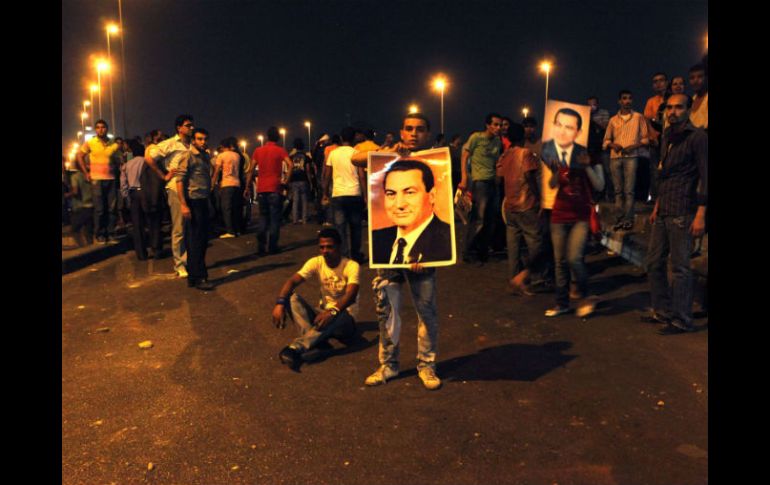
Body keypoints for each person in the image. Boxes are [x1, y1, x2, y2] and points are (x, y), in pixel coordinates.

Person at [365, 112, 444, 391]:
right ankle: (389, 364)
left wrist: (430, 255)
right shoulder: (387, 158)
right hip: (388, 253)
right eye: (409, 129)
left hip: (424, 255)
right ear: (401, 131)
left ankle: (427, 365)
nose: (413, 133)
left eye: (419, 129)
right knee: (387, 311)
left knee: (427, 312)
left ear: (428, 134)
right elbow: (356, 159)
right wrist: (386, 151)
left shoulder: (437, 162)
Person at [644, 94, 707, 335]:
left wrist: (701, 212)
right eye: (669, 107)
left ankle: (682, 319)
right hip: (664, 208)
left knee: (681, 268)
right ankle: (663, 312)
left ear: (689, 110)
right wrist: (658, 203)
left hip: (683, 209)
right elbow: (665, 173)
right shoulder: (668, 136)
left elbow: (705, 177)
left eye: (679, 107)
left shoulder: (698, 138)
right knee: (653, 262)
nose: (672, 111)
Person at [541, 108, 604, 318]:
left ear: (578, 132)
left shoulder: (589, 158)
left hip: (580, 217)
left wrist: (587, 167)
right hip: (559, 215)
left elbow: (600, 185)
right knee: (559, 261)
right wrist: (554, 174)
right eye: (559, 125)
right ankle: (562, 303)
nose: (563, 132)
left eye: (570, 127)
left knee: (574, 258)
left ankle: (586, 295)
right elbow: (551, 185)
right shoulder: (554, 154)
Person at [272, 228, 360, 370]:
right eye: (322, 247)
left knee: (339, 313)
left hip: (345, 320)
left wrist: (333, 312)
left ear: (339, 246)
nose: (325, 251)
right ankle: (317, 343)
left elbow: (351, 295)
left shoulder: (351, 265)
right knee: (291, 297)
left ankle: (296, 348)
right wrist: (280, 303)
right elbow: (292, 281)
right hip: (323, 314)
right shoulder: (316, 262)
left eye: (330, 247)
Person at [371, 159, 452, 265]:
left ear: (432, 196)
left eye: (409, 192)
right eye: (391, 194)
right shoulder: (376, 239)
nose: (399, 204)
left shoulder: (446, 240)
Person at [496, 123, 544, 295]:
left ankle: (514, 278)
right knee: (535, 242)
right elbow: (530, 176)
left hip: (510, 205)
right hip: (527, 204)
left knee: (513, 245)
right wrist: (539, 197)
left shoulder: (504, 155)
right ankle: (534, 278)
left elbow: (499, 178)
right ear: (522, 137)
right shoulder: (526, 153)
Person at [146, 115, 196, 278]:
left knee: (192, 227)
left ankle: (190, 260)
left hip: (192, 189)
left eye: (192, 125)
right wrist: (163, 175)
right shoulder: (170, 144)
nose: (191, 128)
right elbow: (149, 156)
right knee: (179, 227)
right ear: (178, 128)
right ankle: (180, 264)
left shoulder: (193, 144)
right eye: (188, 125)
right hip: (175, 188)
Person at [458, 113, 503, 263]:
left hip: (493, 183)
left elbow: (497, 161)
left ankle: (482, 251)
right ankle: (467, 252)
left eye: (500, 125)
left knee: (491, 220)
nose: (498, 127)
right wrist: (464, 177)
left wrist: (498, 175)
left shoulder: (498, 141)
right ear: (487, 125)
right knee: (478, 220)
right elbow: (464, 155)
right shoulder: (476, 137)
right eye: (495, 124)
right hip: (480, 183)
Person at [602, 90, 650, 231]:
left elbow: (646, 139)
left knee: (629, 190)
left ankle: (628, 219)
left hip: (631, 157)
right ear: (620, 101)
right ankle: (619, 218)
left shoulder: (638, 117)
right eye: (624, 98)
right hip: (615, 157)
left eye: (629, 98)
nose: (627, 101)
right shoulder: (613, 120)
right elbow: (605, 140)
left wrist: (633, 146)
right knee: (618, 191)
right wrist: (612, 144)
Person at [176, 128, 215, 291]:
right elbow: (179, 181)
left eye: (205, 139)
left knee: (201, 240)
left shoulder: (205, 156)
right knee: (196, 241)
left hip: (203, 200)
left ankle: (193, 276)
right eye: (199, 139)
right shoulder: (188, 156)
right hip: (193, 201)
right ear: (193, 140)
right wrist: (184, 205)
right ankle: (200, 277)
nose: (203, 142)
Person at [245, 126, 292, 255]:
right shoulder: (280, 150)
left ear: (267, 137)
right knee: (275, 219)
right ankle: (272, 246)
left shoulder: (258, 151)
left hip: (262, 189)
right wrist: (286, 181)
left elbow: (250, 170)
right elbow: (290, 164)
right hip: (275, 188)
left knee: (263, 217)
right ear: (278, 137)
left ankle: (261, 247)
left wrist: (247, 187)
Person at [324, 127, 367, 262]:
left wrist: (324, 193)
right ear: (354, 138)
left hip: (338, 194)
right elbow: (361, 176)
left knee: (340, 228)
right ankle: (356, 255)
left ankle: (344, 256)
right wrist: (365, 195)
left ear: (341, 139)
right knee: (356, 227)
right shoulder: (356, 153)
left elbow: (327, 176)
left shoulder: (333, 154)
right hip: (355, 193)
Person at [76, 119, 122, 244]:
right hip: (96, 179)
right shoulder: (90, 142)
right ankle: (100, 234)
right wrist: (86, 172)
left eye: (103, 127)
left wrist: (118, 166)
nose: (100, 129)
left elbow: (119, 159)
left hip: (111, 179)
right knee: (99, 209)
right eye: (98, 127)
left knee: (112, 208)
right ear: (95, 129)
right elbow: (79, 155)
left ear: (107, 129)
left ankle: (111, 234)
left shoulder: (113, 144)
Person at [120, 139, 152, 260]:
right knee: (151, 221)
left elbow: (123, 184)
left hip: (134, 194)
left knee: (137, 225)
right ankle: (155, 246)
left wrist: (126, 198)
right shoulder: (147, 162)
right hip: (147, 193)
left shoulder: (126, 165)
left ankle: (141, 253)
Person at [212, 137, 243, 238]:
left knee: (226, 208)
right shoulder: (237, 155)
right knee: (235, 208)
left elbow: (216, 171)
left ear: (222, 146)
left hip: (226, 184)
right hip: (237, 183)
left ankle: (230, 231)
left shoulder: (221, 156)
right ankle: (237, 229)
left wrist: (212, 183)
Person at [64, 162, 94, 247]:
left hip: (81, 206)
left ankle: (83, 247)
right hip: (91, 205)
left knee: (74, 229)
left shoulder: (75, 177)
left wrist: (66, 195)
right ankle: (90, 247)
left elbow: (75, 191)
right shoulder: (89, 175)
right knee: (88, 230)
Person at [288, 138, 313, 225]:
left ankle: (295, 219)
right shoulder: (306, 157)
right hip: (303, 179)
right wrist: (310, 181)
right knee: (304, 200)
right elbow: (308, 170)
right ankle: (304, 219)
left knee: (295, 200)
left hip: (294, 180)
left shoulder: (291, 157)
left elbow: (289, 169)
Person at [688, 64, 708, 131]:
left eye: (700, 77)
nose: (695, 80)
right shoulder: (691, 100)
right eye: (692, 78)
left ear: (706, 78)